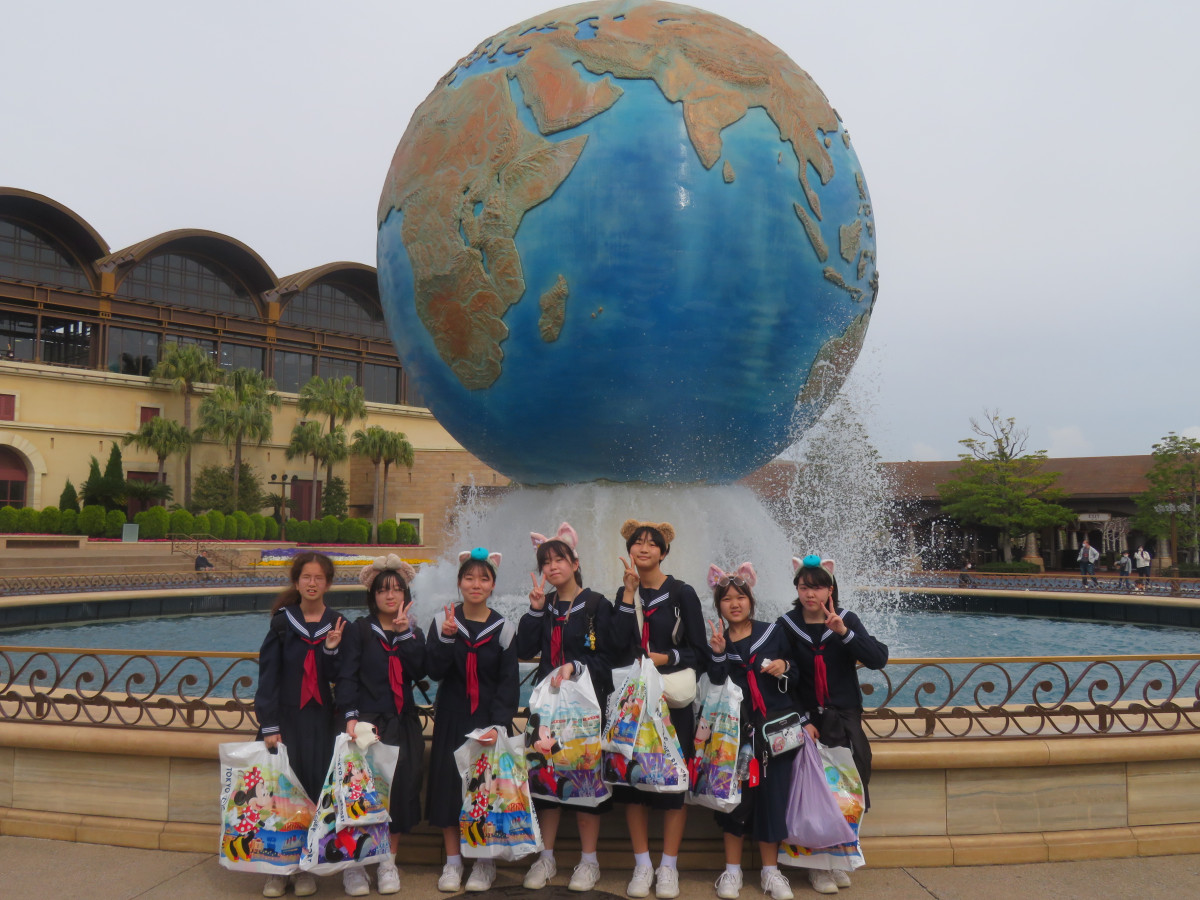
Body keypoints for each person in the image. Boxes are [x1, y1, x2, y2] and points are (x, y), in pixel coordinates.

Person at [776, 556, 888, 895]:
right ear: (797, 589)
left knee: (846, 791)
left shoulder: (846, 620)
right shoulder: (787, 625)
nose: (810, 594)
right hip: (809, 722)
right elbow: (786, 680)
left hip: (844, 718)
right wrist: (803, 720)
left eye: (818, 587)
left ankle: (838, 858)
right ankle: (816, 867)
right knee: (815, 794)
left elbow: (878, 658)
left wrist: (844, 633)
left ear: (830, 589)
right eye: (804, 587)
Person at [517, 522, 618, 892]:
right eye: (546, 562)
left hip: (583, 709)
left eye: (559, 559)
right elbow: (523, 649)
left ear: (575, 563)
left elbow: (610, 658)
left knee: (584, 780)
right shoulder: (544, 606)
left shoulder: (596, 605)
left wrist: (577, 665)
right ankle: (545, 858)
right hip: (547, 709)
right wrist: (533, 611)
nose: (552, 567)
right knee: (544, 781)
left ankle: (589, 862)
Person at [612, 519, 705, 900]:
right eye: (638, 543)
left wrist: (669, 657)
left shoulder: (682, 593)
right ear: (629, 550)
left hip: (670, 702)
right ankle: (642, 865)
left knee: (672, 786)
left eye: (652, 543)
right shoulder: (625, 591)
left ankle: (668, 866)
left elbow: (700, 651)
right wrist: (627, 594)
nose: (644, 548)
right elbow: (616, 645)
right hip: (635, 704)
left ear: (664, 552)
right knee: (633, 784)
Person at [426, 548, 519, 894]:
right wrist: (447, 638)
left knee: (484, 792)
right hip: (452, 716)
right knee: (449, 790)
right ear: (459, 582)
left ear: (493, 585)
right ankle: (453, 862)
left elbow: (508, 683)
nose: (475, 584)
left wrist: (498, 724)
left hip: (486, 722)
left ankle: (483, 862)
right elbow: (434, 671)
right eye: (469, 577)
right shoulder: (443, 621)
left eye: (483, 578)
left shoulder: (504, 628)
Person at [254, 551, 347, 899]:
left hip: (320, 721)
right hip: (287, 720)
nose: (312, 583)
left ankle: (306, 867)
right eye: (306, 577)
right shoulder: (282, 624)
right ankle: (279, 869)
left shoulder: (338, 624)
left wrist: (332, 650)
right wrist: (269, 723)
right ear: (296, 581)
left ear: (328, 583)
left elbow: (342, 677)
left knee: (312, 793)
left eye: (319, 577)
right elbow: (269, 676)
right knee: (281, 795)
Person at [335, 554, 427, 896]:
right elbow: (347, 676)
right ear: (372, 596)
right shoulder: (359, 631)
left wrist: (404, 635)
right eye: (383, 590)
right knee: (361, 795)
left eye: (397, 589)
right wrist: (350, 716)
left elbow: (421, 670)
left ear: (405, 594)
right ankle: (355, 866)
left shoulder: (413, 631)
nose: (390, 596)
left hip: (401, 723)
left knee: (399, 792)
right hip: (366, 726)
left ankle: (388, 861)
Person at [705, 563, 797, 900]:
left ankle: (771, 872)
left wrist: (784, 666)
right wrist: (717, 655)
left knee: (773, 799)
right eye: (727, 599)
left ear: (750, 600)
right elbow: (714, 682)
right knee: (733, 801)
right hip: (734, 734)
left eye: (740, 597)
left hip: (772, 732)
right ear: (719, 605)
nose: (734, 604)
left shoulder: (772, 633)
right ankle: (732, 871)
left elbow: (796, 673)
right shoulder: (718, 640)